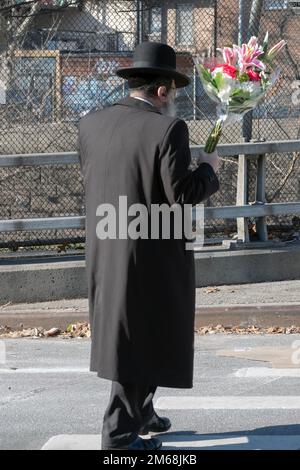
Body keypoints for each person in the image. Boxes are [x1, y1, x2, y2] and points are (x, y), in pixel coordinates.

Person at [77, 42, 220, 451]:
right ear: (162, 90)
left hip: (107, 246)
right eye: (172, 91)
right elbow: (182, 194)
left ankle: (143, 411)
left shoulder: (91, 123)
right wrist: (209, 171)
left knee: (140, 330)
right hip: (153, 250)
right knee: (140, 333)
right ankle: (119, 437)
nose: (173, 100)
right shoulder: (168, 128)